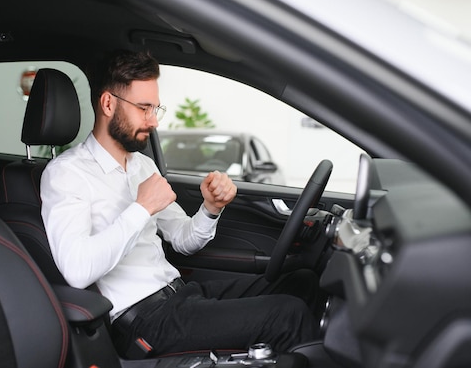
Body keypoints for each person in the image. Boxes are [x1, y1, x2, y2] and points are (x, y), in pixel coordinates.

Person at [40, 50, 319, 358]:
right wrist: (141, 208)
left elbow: (184, 241)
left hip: (180, 294)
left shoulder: (142, 166)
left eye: (156, 108)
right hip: (142, 321)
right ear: (108, 104)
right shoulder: (67, 173)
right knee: (286, 314)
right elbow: (77, 270)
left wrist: (210, 208)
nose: (154, 120)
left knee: (301, 283)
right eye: (144, 108)